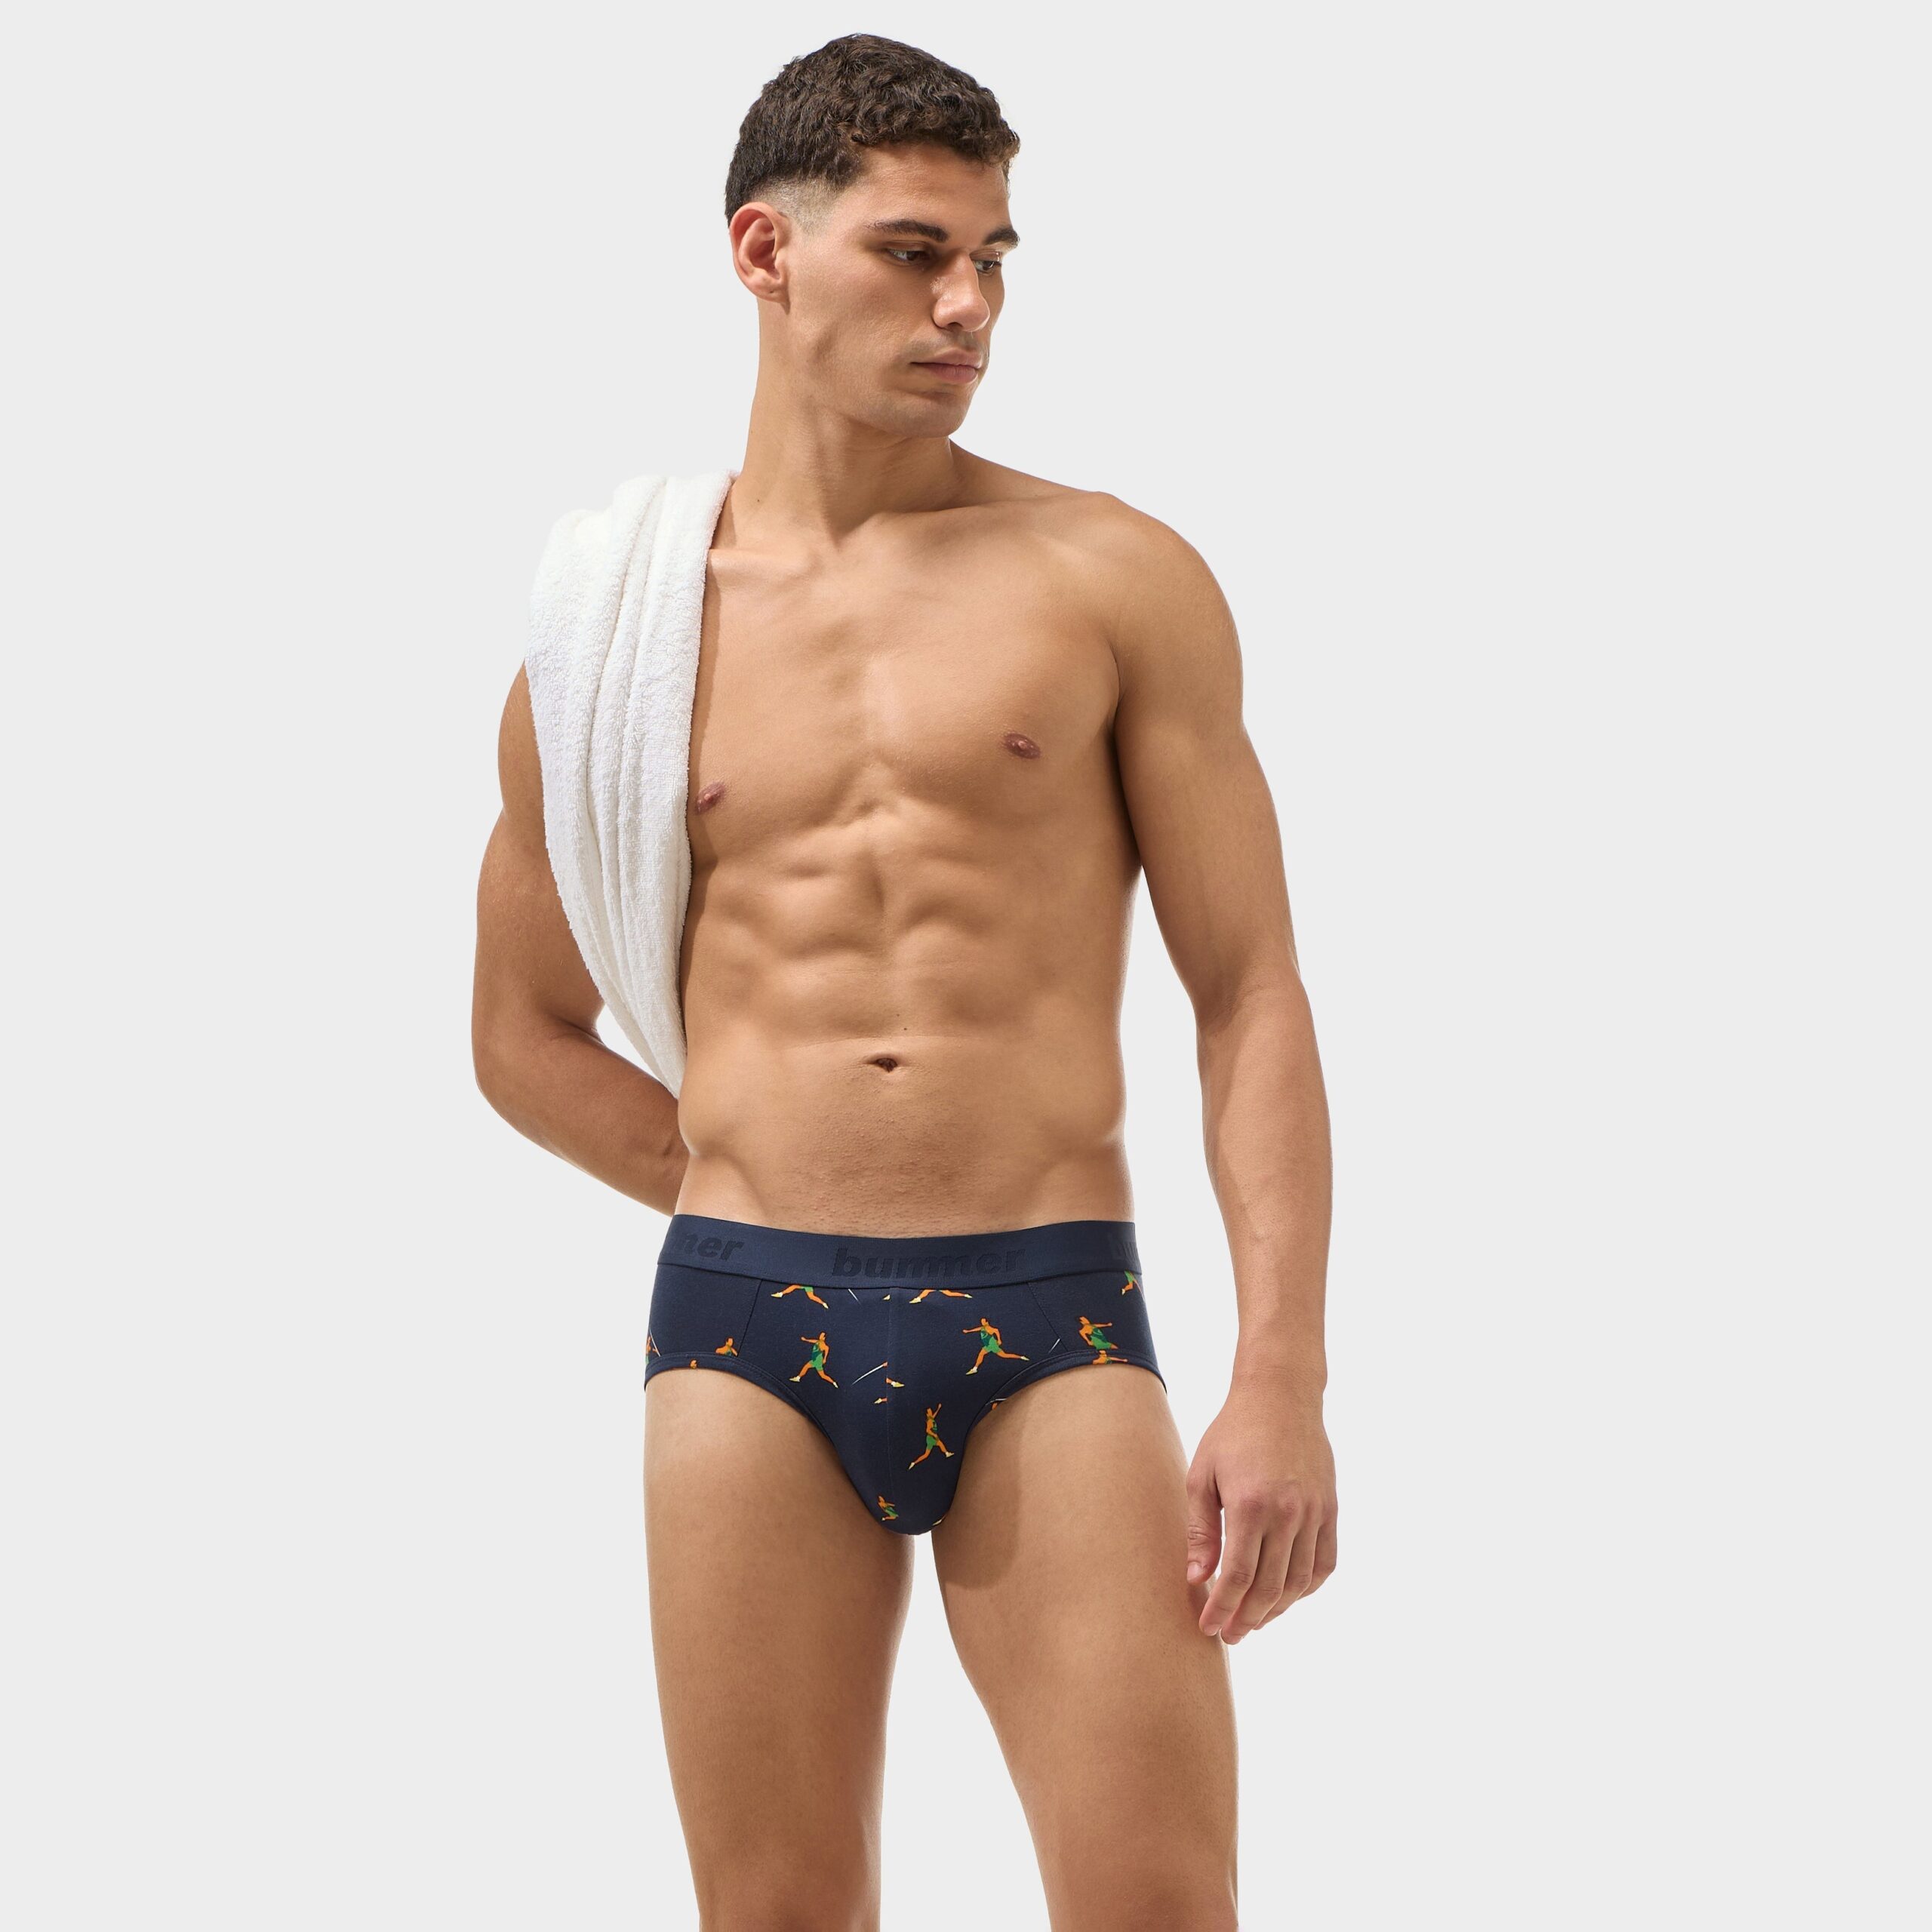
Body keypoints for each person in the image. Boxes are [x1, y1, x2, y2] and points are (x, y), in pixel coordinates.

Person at [472, 32, 1336, 1931]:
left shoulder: (1106, 575)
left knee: (1154, 1902)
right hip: (743, 1332)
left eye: (994, 258)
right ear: (762, 251)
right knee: (774, 1913)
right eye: (914, 252)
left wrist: (1279, 1370)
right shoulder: (610, 636)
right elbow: (519, 1034)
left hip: (1051, 1313)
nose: (968, 306)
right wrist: (741, 1168)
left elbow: (1249, 988)